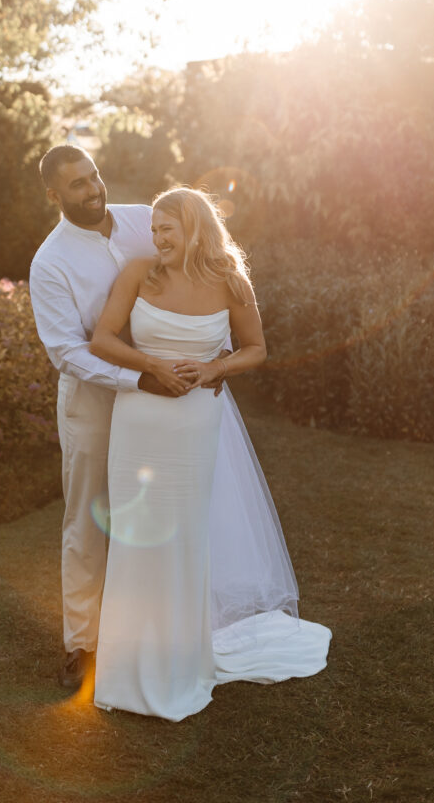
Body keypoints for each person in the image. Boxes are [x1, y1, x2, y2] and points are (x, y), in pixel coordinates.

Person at [90, 187, 331, 721]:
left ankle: (181, 663)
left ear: (194, 226)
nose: (158, 239)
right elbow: (103, 340)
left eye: (166, 229)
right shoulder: (138, 273)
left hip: (195, 420)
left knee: (182, 540)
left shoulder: (231, 281)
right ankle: (124, 671)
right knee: (136, 538)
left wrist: (213, 369)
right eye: (153, 230)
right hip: (140, 418)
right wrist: (150, 368)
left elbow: (256, 349)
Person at [29, 145, 197, 689]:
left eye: (94, 175)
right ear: (54, 196)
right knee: (88, 520)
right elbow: (66, 352)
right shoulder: (50, 262)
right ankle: (84, 644)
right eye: (76, 184)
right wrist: (136, 377)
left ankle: (151, 630)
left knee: (154, 511)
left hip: (160, 397)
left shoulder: (138, 223)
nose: (92, 189)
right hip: (95, 406)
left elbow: (188, 269)